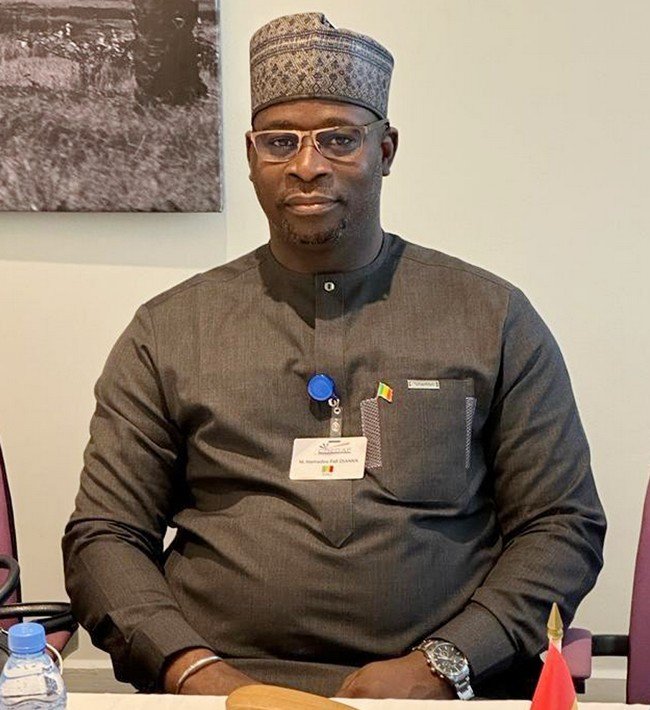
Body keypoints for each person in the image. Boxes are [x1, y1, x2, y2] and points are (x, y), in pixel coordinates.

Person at [62, 12, 606, 701]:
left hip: (441, 690)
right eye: (280, 141)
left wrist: (444, 665)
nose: (307, 166)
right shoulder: (168, 330)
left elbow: (561, 526)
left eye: (339, 139)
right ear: (252, 155)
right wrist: (198, 674)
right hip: (223, 686)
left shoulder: (492, 316)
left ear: (386, 149)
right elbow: (105, 535)